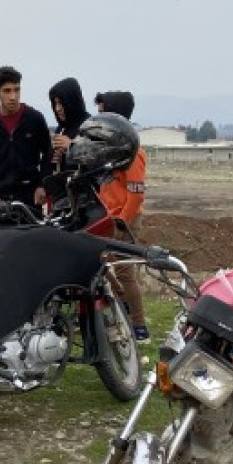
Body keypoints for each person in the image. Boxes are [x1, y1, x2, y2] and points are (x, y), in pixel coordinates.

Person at [93, 91, 150, 342]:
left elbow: (136, 193)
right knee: (100, 266)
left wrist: (122, 220)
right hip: (107, 217)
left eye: (103, 111)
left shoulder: (133, 151)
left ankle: (139, 327)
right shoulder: (109, 148)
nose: (99, 116)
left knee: (126, 273)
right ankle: (123, 306)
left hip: (124, 220)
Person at [0, 66, 52, 215]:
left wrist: (43, 185)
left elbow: (48, 154)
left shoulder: (35, 119)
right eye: (7, 91)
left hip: (31, 198)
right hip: (1, 200)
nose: (13, 96)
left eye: (17, 90)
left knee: (32, 238)